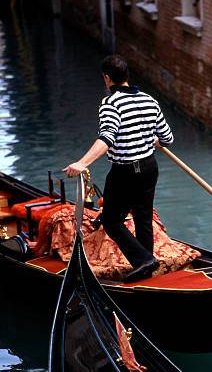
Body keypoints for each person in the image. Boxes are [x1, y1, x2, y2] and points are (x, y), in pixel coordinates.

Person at [64, 54, 174, 282]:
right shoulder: (149, 100)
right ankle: (147, 265)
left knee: (112, 220)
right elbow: (167, 137)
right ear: (126, 76)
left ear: (107, 78)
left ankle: (143, 260)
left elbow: (106, 138)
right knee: (143, 218)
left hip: (125, 172)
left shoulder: (110, 104)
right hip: (149, 167)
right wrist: (153, 140)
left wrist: (82, 163)